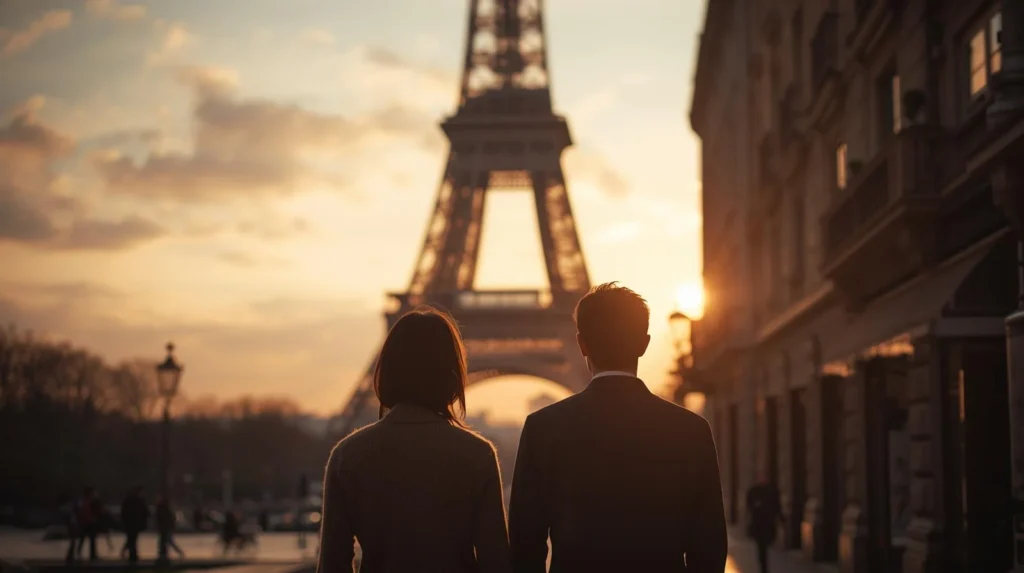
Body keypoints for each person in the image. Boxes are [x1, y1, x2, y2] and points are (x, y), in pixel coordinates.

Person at [508, 282, 728, 572]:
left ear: (581, 343)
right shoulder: (692, 430)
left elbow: (525, 543)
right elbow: (709, 545)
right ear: (644, 343)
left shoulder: (542, 428)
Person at [316, 308, 511, 573]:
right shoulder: (478, 455)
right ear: (452, 372)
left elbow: (332, 564)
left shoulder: (347, 456)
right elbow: (496, 562)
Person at [746, 475, 783, 573]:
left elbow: (777, 506)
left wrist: (780, 518)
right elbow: (749, 505)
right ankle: (764, 569)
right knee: (761, 549)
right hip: (759, 525)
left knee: (766, 545)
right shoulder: (754, 491)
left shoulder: (772, 491)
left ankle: (764, 567)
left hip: (769, 524)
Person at [120, 487, 149, 563]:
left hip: (130, 523)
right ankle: (132, 555)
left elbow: (123, 513)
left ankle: (131, 554)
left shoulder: (129, 501)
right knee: (133, 539)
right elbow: (145, 512)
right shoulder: (139, 501)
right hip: (135, 523)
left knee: (131, 538)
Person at [155, 495, 185, 561]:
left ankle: (164, 554)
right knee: (167, 541)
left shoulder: (161, 509)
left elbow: (160, 519)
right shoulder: (167, 509)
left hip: (164, 528)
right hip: (166, 528)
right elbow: (172, 519)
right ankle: (165, 554)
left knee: (165, 541)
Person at [75, 487, 99, 561]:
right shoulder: (90, 501)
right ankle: (92, 555)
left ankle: (79, 552)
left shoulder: (82, 502)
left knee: (84, 539)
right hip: (89, 522)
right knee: (91, 539)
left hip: (85, 522)